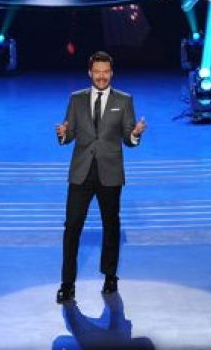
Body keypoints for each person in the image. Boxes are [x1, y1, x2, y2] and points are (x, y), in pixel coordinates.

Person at [55, 51, 146, 304]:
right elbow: (69, 134)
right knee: (72, 227)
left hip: (110, 172)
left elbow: (128, 138)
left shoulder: (124, 100)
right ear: (90, 73)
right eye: (97, 72)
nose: (102, 76)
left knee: (111, 225)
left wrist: (135, 133)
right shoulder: (76, 99)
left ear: (111, 73)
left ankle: (110, 277)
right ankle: (67, 284)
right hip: (81, 172)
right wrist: (63, 134)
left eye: (106, 72)